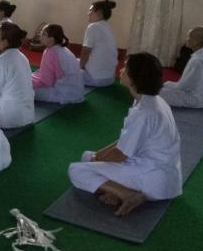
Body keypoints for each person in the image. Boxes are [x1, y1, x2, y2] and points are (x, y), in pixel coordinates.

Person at [68, 52, 182, 216]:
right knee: (87, 156)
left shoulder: (144, 112)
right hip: (158, 171)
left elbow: (120, 154)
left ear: (136, 78)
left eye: (126, 68)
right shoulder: (152, 100)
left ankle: (128, 194)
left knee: (76, 170)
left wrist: (98, 161)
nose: (121, 70)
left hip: (152, 178)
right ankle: (116, 190)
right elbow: (124, 142)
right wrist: (97, 157)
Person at [159, 27, 203, 110]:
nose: (187, 39)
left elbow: (184, 86)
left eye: (189, 37)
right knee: (166, 84)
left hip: (200, 98)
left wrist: (165, 87)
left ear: (197, 40)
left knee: (158, 92)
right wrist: (167, 85)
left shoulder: (198, 61)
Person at [31, 24, 84, 104]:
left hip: (63, 94)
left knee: (24, 90)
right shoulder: (63, 49)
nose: (40, 35)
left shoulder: (50, 52)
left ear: (52, 39)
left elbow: (47, 82)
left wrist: (29, 81)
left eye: (44, 34)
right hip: (77, 93)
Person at [80, 0, 118, 87]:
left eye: (91, 10)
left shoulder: (93, 27)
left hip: (95, 79)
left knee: (66, 65)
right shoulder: (108, 27)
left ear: (99, 13)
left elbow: (85, 52)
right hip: (110, 78)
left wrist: (79, 68)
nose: (88, 13)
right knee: (75, 61)